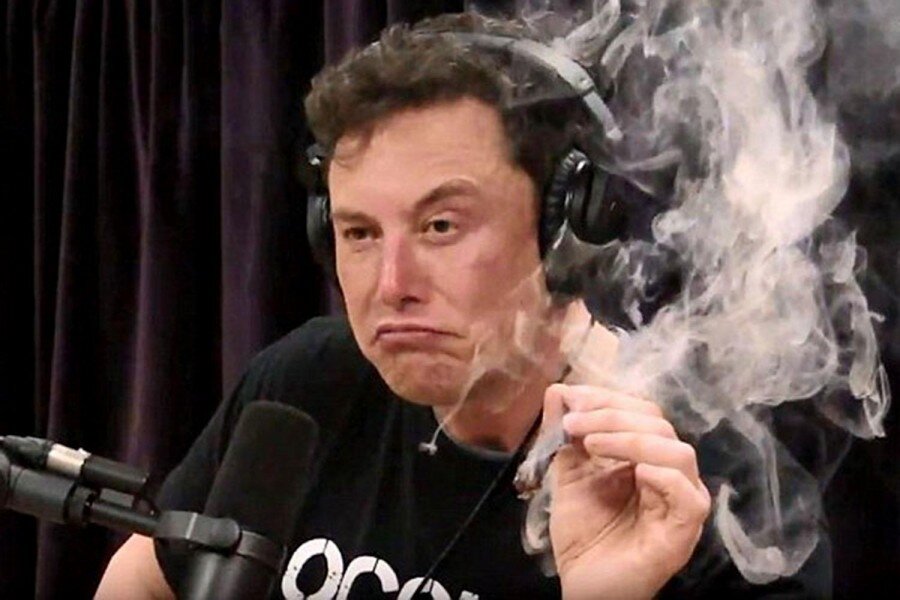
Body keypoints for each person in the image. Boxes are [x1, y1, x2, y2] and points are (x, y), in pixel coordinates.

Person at [97, 14, 829, 600]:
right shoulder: (307, 385)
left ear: (565, 234)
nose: (391, 284)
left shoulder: (713, 491)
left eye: (441, 226)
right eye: (359, 232)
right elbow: (144, 578)